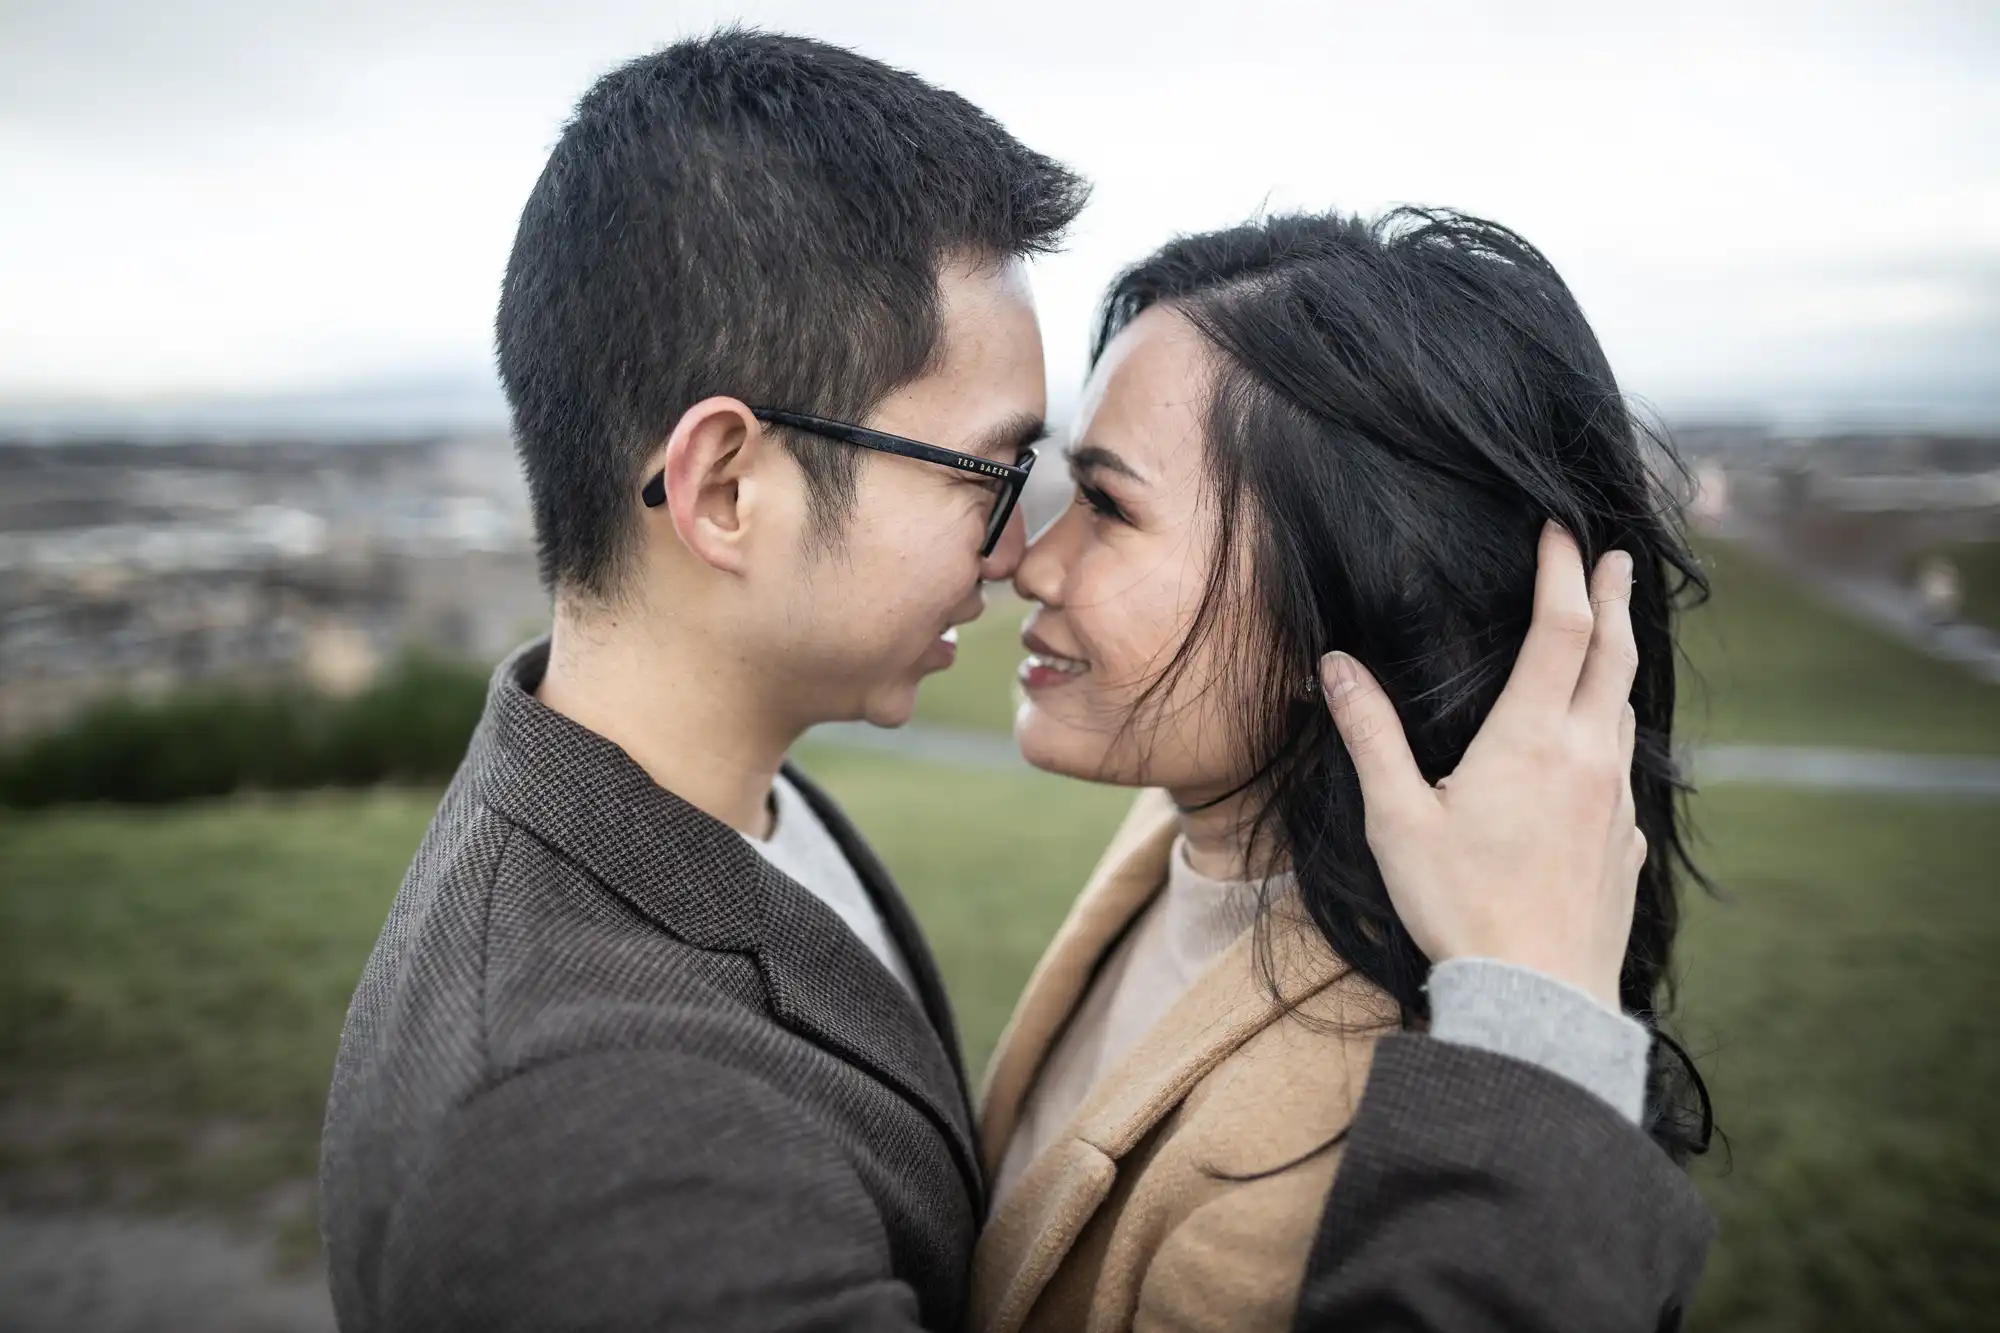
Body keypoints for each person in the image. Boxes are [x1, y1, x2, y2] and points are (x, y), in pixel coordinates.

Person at [318, 32, 1708, 1332]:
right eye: (994, 474)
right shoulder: (592, 1148)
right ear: (727, 490)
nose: (1017, 554)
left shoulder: (736, 809)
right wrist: (1542, 1055)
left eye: (1088, 495)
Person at [972, 210, 1714, 1333]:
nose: (1029, 562)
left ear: (1346, 593)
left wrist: (1538, 1027)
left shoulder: (1326, 1164)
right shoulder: (1199, 832)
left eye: (1110, 505)